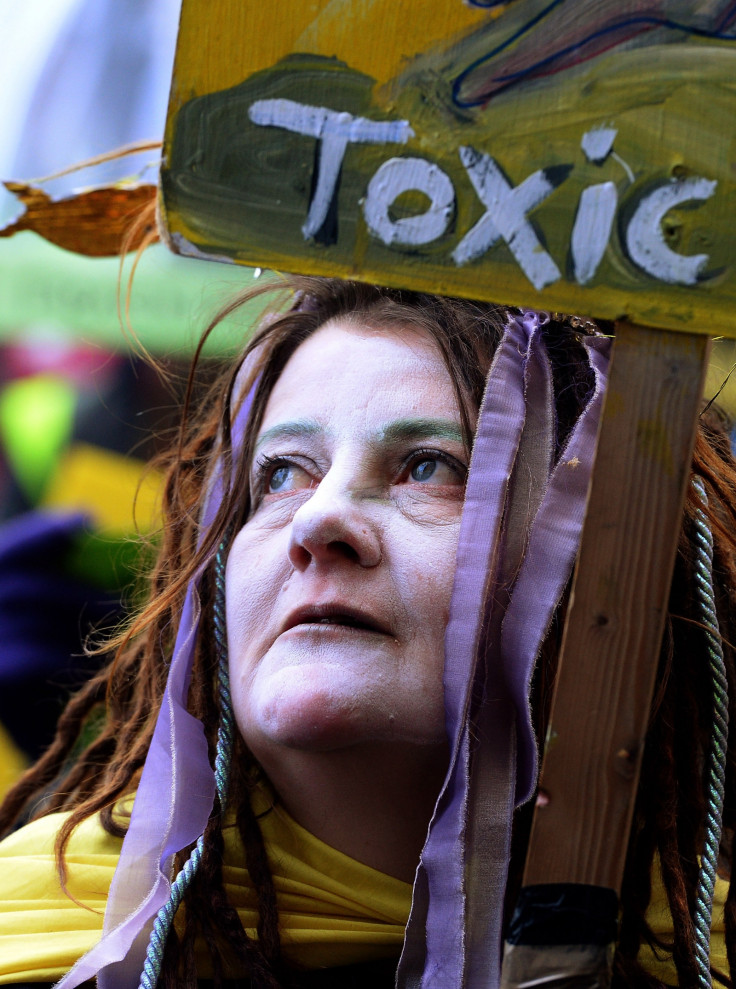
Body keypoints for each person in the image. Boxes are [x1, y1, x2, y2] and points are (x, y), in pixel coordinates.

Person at [0, 276, 734, 989]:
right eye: (283, 474)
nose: (319, 521)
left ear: (608, 568)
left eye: (429, 467)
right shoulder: (44, 931)